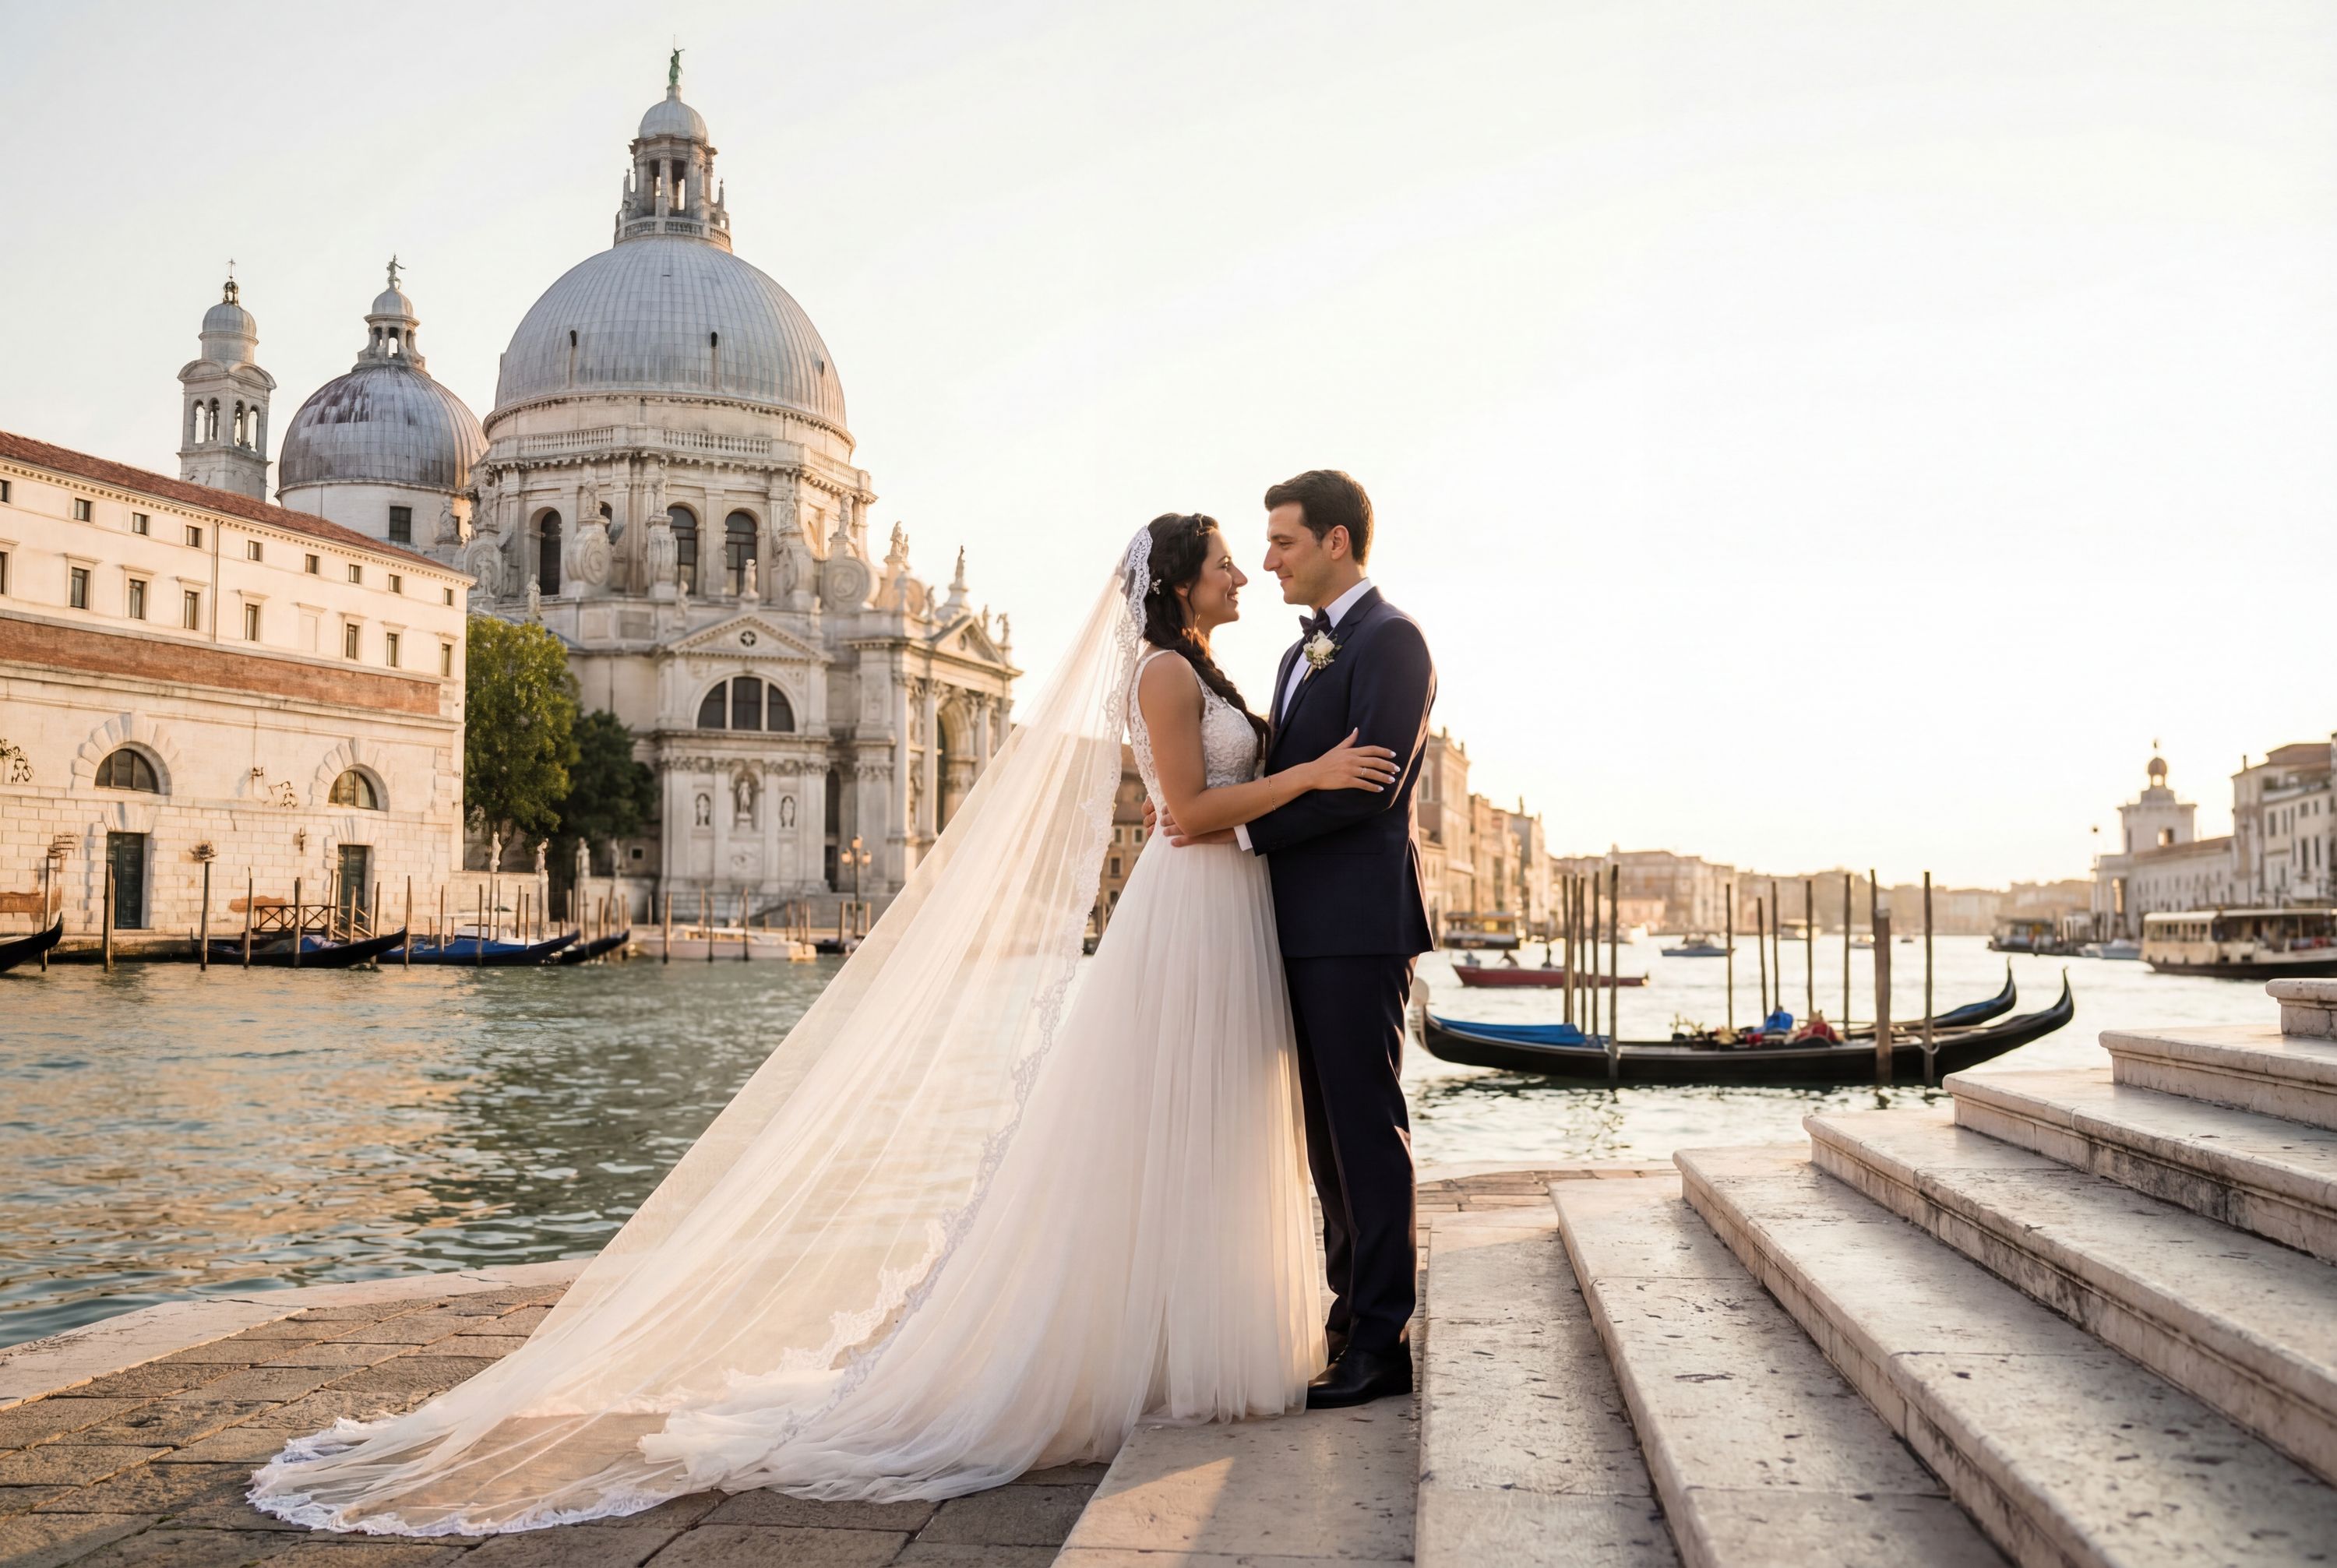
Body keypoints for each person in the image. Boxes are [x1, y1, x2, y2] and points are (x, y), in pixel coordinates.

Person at [248, 513, 1400, 1535]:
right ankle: (1171, 1344)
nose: (1248, 570)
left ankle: (1211, 1330)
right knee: (1167, 1126)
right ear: (1178, 581)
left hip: (1225, 919)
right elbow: (1190, 810)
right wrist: (1308, 781)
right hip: (1195, 907)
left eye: (1266, 553)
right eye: (1228, 561)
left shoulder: (1209, 664)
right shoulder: (1164, 669)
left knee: (1212, 1132)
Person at [1154, 469, 1436, 1409]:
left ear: (1337, 543)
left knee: (1365, 1128)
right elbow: (1293, 767)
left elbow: (1367, 787)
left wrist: (1233, 831)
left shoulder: (1392, 642)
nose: (1265, 560)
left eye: (1281, 542)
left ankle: (1383, 1337)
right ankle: (1345, 1314)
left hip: (1356, 927)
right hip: (1292, 926)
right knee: (1326, 1142)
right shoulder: (1293, 656)